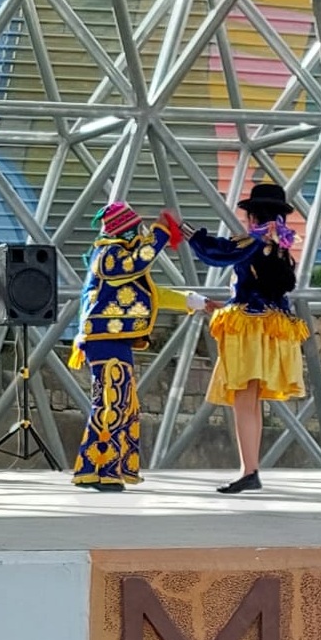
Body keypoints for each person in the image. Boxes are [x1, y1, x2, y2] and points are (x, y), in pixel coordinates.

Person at [68, 202, 205, 492]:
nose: (139, 234)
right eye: (136, 229)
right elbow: (139, 261)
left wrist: (194, 301)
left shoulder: (119, 262)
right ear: (125, 231)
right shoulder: (108, 255)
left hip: (115, 340)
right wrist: (161, 231)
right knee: (112, 402)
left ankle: (94, 469)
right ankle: (104, 470)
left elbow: (152, 294)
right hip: (104, 341)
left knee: (118, 403)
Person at [181, 182, 308, 494]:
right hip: (273, 330)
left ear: (253, 216)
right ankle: (250, 469)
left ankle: (249, 470)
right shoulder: (281, 248)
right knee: (251, 401)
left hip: (250, 330)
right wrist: (219, 305)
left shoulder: (253, 242)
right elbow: (262, 291)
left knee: (243, 399)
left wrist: (184, 229)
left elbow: (216, 252)